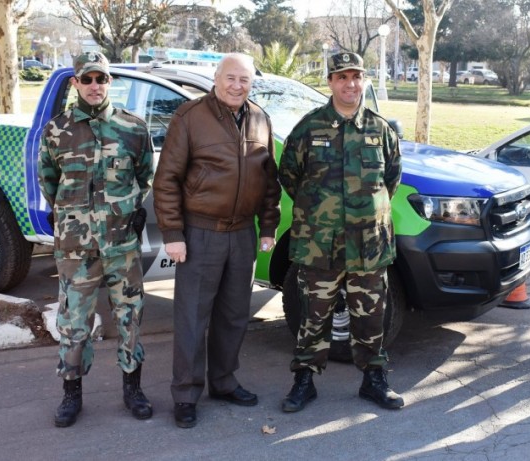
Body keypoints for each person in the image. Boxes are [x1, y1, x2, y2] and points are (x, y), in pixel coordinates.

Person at [153, 53, 281, 429]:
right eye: (231, 77)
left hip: (242, 233)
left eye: (244, 79)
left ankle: (223, 382)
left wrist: (269, 226)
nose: (237, 85)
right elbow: (167, 180)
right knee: (192, 317)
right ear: (216, 77)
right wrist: (173, 234)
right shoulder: (190, 117)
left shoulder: (260, 119)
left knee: (234, 315)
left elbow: (269, 181)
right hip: (200, 232)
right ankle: (186, 394)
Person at [278, 52, 404, 413]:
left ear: (363, 80)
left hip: (368, 246)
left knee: (371, 316)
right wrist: (321, 213)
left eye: (356, 77)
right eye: (342, 77)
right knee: (312, 315)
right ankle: (304, 380)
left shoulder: (381, 130)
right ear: (330, 82)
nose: (350, 84)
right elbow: (290, 177)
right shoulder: (308, 128)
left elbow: (390, 180)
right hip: (320, 245)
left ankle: (374, 380)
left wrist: (364, 214)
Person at [38, 51, 155, 428]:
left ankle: (132, 388)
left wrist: (129, 211)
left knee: (130, 319)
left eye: (101, 79)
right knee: (74, 322)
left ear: (109, 82)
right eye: (86, 79)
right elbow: (49, 181)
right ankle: (71, 394)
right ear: (75, 83)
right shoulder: (57, 129)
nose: (94, 86)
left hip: (121, 245)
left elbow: (144, 177)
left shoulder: (133, 128)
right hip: (76, 248)